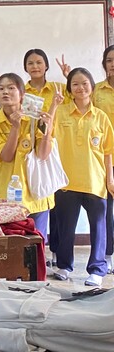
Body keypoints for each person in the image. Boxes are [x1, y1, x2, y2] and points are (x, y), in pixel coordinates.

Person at [52, 68, 114, 287]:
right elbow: (47, 137)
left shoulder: (101, 117)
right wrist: (52, 108)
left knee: (99, 227)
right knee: (65, 227)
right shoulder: (60, 113)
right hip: (66, 181)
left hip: (95, 181)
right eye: (75, 84)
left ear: (92, 87)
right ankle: (64, 265)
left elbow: (108, 152)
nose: (80, 88)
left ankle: (97, 269)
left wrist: (110, 180)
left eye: (85, 83)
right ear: (69, 89)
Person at [0, 73, 57, 239]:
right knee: (14, 243)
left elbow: (43, 155)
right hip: (11, 193)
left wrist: (48, 131)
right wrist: (15, 128)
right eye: (1, 89)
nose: (5, 92)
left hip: (37, 191)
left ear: (22, 94)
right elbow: (7, 157)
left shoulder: (35, 118)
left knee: (36, 242)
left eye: (11, 88)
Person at [93, 44, 114, 274]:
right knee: (105, 210)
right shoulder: (96, 90)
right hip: (104, 158)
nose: (113, 64)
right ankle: (108, 255)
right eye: (109, 60)